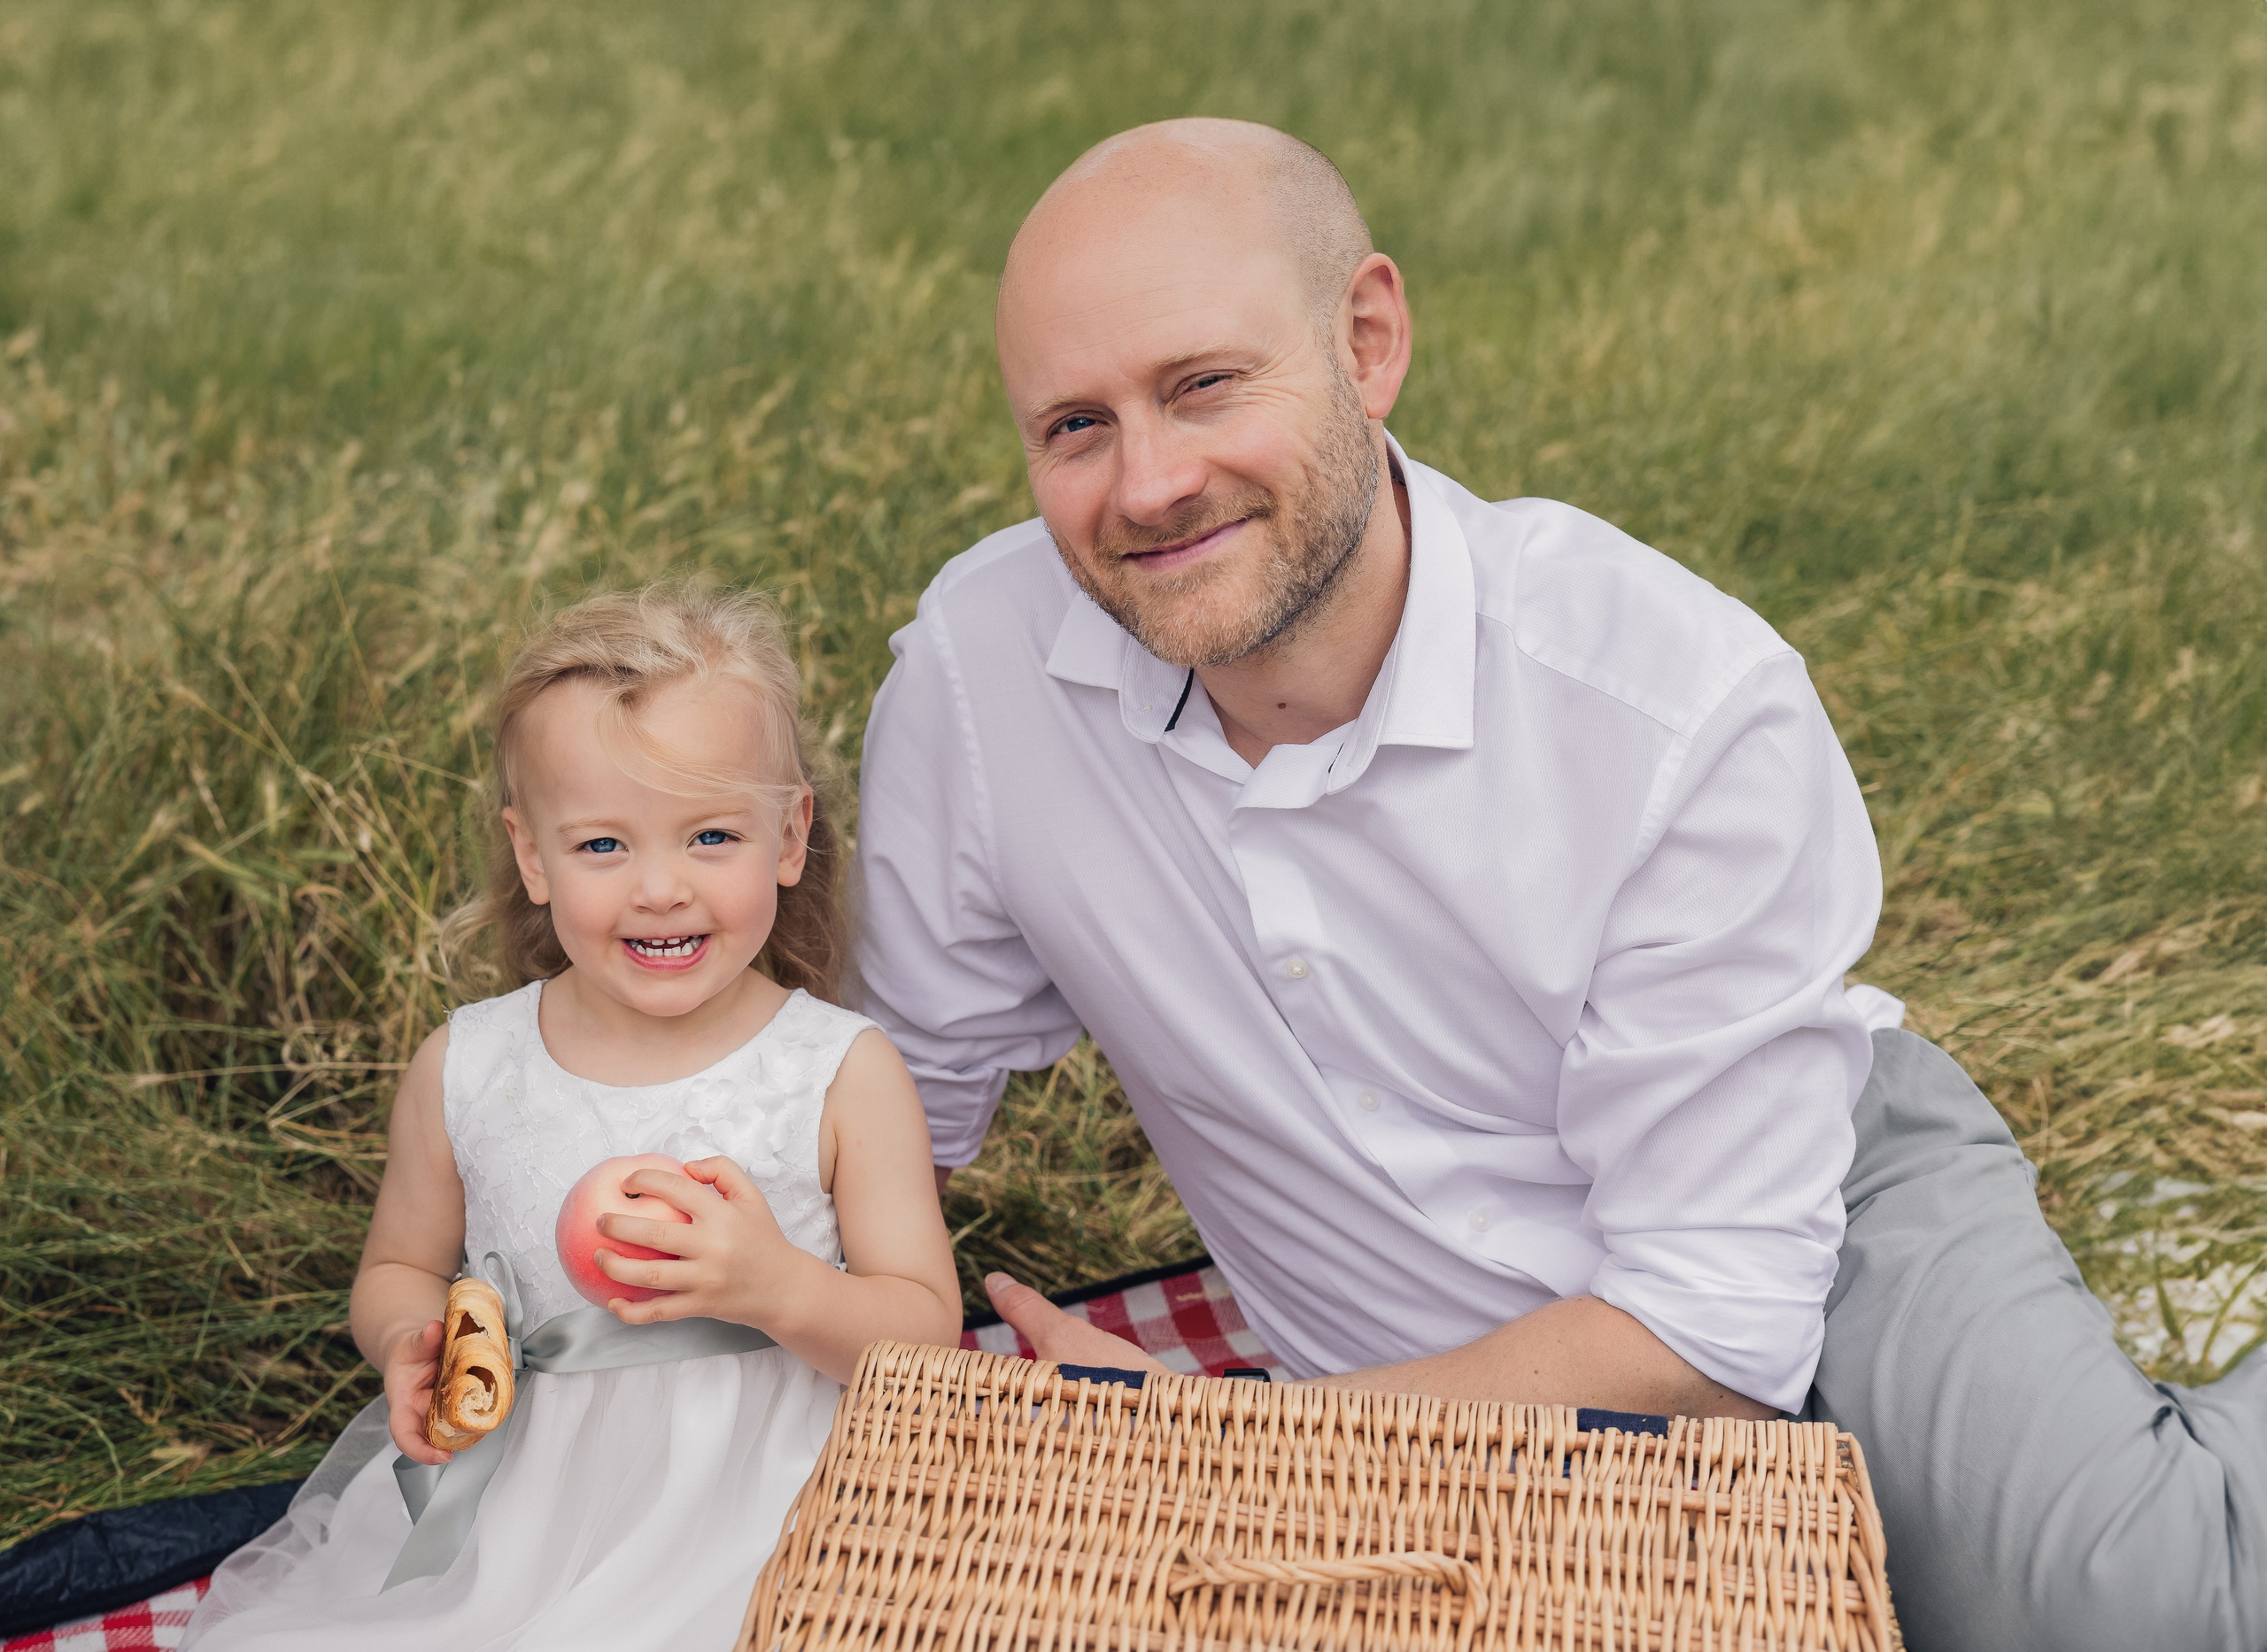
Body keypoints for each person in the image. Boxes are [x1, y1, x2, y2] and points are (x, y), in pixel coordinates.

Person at [854, 119, 2267, 1649]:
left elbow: (1713, 1333)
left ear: (1367, 341)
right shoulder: (983, 678)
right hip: (1444, 1398)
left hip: (1792, 1204)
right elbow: (877, 1102)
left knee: (2133, 1608)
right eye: (1075, 426)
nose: (1149, 482)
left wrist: (1244, 1457)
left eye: (1204, 385)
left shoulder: (1673, 703)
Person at [184, 586, 961, 1650]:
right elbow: (398, 1268)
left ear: (789, 837)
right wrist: (413, 1340)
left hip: (772, 1506)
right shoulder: (470, 1064)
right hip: (522, 1510)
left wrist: (780, 1288)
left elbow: (925, 1328)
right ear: (531, 856)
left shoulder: (839, 1072)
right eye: (602, 846)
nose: (659, 888)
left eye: (712, 835)